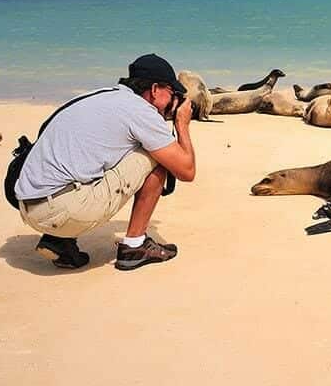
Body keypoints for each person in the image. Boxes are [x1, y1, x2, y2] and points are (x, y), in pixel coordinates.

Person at [14, 54, 196, 270]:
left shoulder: (99, 96)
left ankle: (59, 240)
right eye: (171, 93)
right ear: (155, 90)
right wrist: (182, 124)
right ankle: (134, 246)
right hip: (60, 211)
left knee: (98, 154)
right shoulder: (141, 111)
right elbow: (186, 170)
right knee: (156, 156)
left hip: (27, 205)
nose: (173, 99)